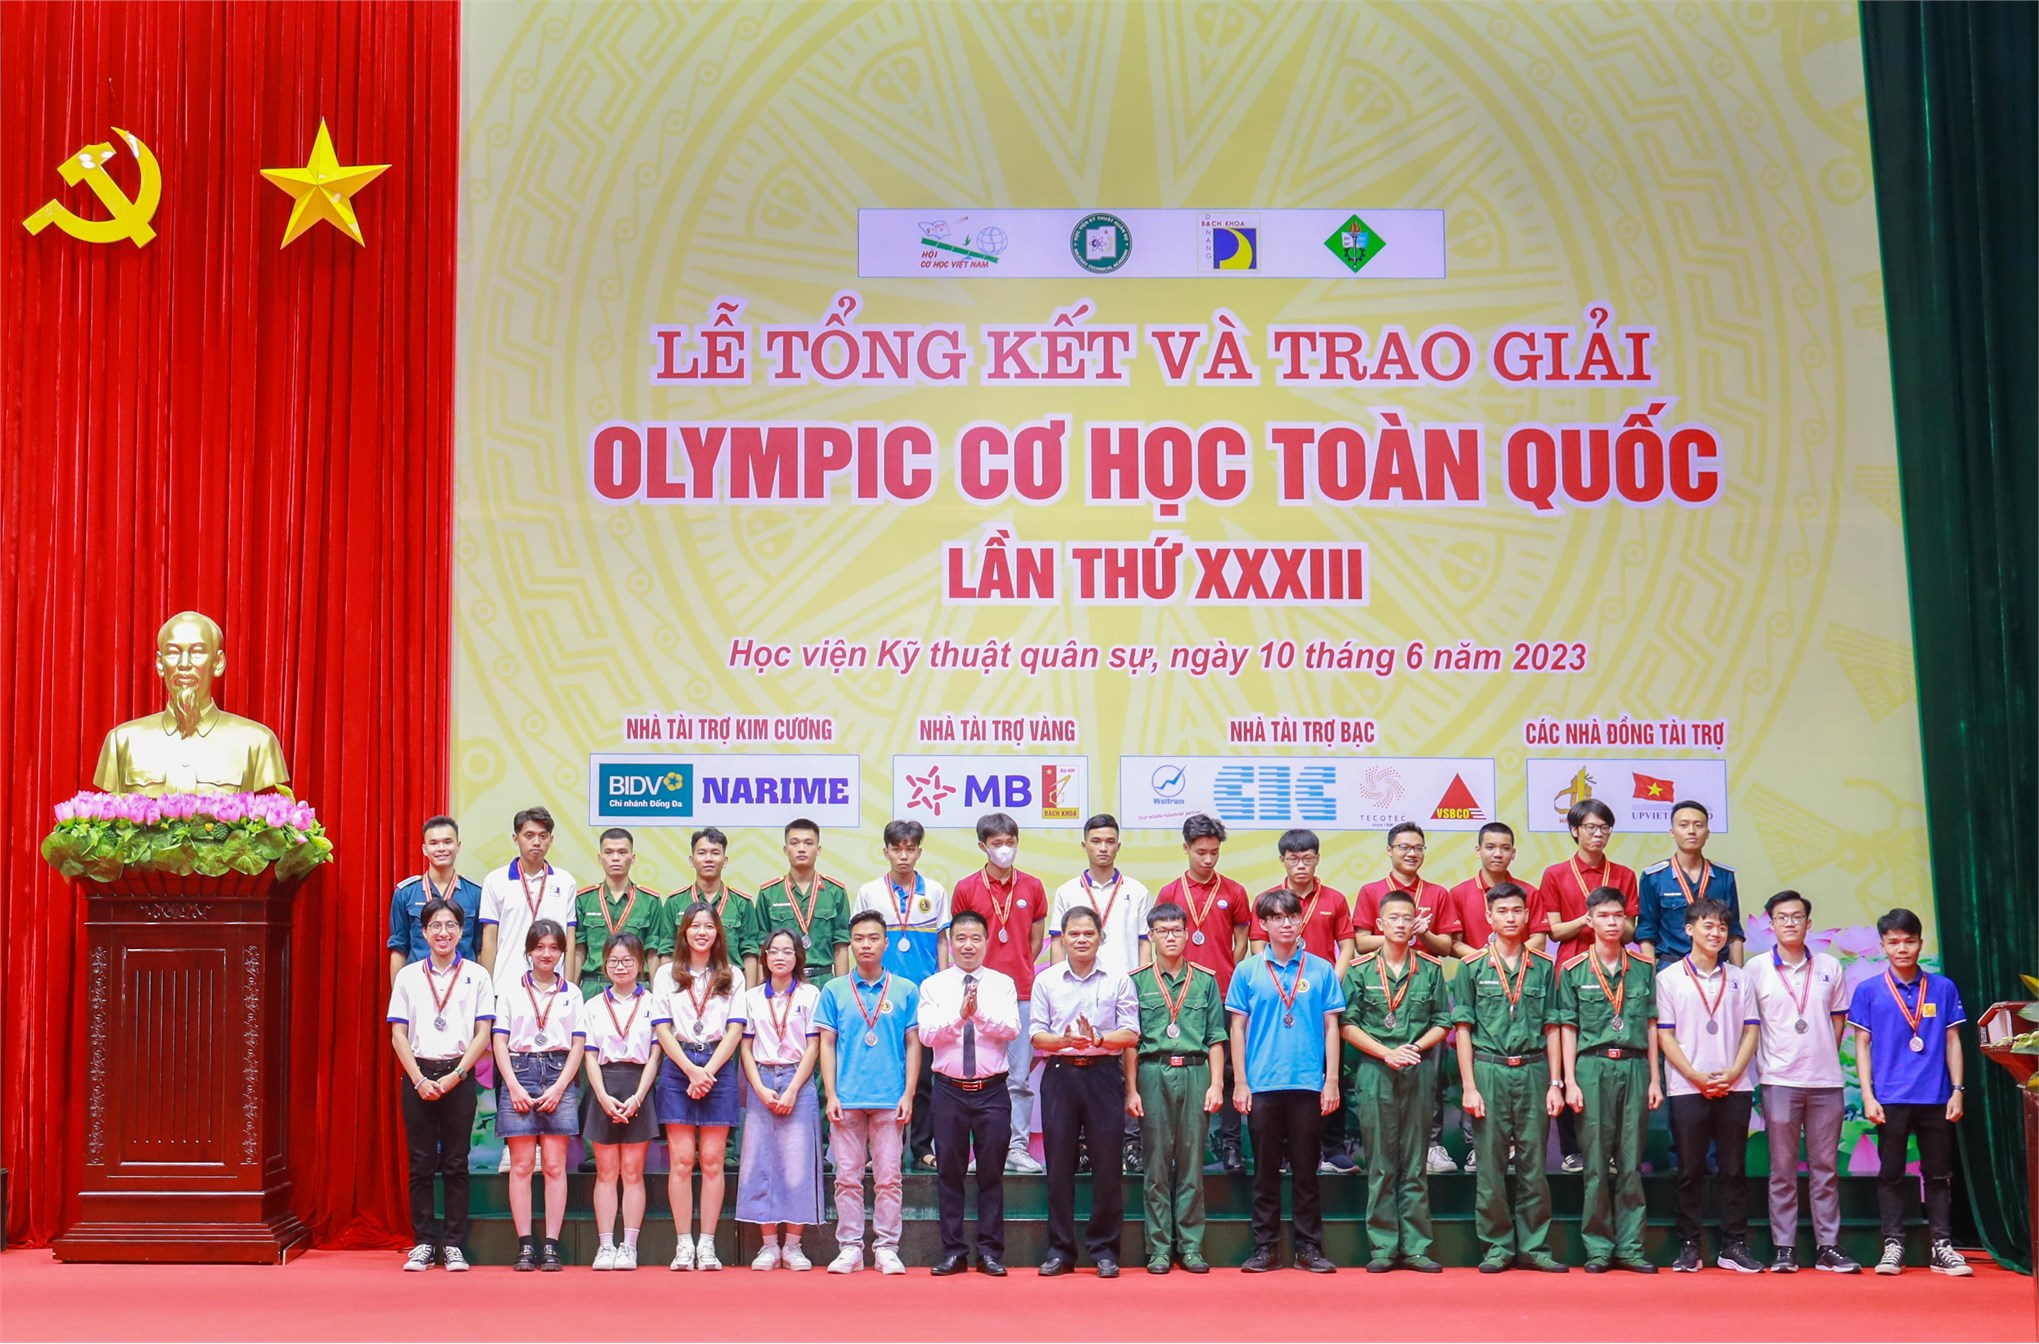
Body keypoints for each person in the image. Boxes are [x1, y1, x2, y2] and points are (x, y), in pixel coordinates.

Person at [1226, 887, 1343, 1274]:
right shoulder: (1248, 971)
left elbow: (1332, 1027)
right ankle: (1265, 1248)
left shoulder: (1321, 969)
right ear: (1263, 924)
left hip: (1308, 1083)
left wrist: (1331, 1080)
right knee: (1265, 1172)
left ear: (1301, 920)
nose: (1286, 924)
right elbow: (1237, 1028)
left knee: (1307, 1171)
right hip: (1262, 1084)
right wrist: (1241, 1082)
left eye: (1292, 916)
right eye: (1276, 918)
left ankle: (1309, 1248)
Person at [1848, 907, 1971, 1276]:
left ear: (1920, 943)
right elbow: (1862, 1045)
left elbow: (1952, 1041)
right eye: (1894, 942)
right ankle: (1893, 1244)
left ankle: (1942, 1246)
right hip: (1889, 1098)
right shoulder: (1869, 990)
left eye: (1909, 941)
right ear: (1883, 946)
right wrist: (1868, 1096)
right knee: (1891, 1173)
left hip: (1936, 1096)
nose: (1902, 948)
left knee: (1938, 1174)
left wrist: (1957, 1090)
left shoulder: (1943, 987)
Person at [1452, 881, 1566, 1273]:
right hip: (1489, 1069)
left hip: (1533, 1069)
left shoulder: (1545, 967)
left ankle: (1534, 1246)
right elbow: (1462, 1030)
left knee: (1534, 1163)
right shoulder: (1471, 967)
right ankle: (1497, 1246)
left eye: (1517, 910)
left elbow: (1553, 1026)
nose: (1511, 917)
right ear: (1489, 916)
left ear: (1528, 915)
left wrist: (1556, 1083)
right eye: (1502, 911)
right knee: (1491, 1163)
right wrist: (1469, 1086)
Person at [1746, 889, 1859, 1273]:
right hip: (1779, 1080)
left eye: (1797, 917)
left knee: (1825, 1169)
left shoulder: (1829, 966)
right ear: (1772, 924)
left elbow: (1838, 1019)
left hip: (1826, 1082)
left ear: (1809, 923)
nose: (1790, 923)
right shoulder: (1756, 969)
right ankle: (1784, 1247)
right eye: (1782, 917)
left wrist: (1822, 1052)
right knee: (1782, 1169)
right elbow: (1750, 1025)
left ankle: (1828, 1246)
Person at [1342, 890, 1451, 1272]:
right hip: (1376, 1071)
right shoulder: (1359, 970)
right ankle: (1383, 1247)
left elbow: (1442, 1022)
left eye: (1408, 918)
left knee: (1415, 1162)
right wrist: (1385, 1052)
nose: (1401, 925)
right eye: (1394, 918)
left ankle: (1416, 1247)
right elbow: (1347, 1024)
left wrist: (1414, 1048)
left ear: (1415, 923)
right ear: (1380, 924)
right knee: (1381, 1163)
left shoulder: (1431, 969)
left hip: (1417, 1069)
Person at [1030, 904, 1140, 1277]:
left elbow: (1131, 1033)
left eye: (1088, 933)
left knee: (1107, 1166)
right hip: (1061, 1074)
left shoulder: (1118, 979)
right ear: (1061, 938)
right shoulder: (1047, 980)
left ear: (1100, 937)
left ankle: (1105, 1251)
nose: (1081, 940)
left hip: (1103, 1074)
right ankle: (1060, 1251)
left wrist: (1100, 1039)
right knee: (1059, 1166)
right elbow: (1036, 1035)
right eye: (1074, 934)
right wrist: (1063, 1041)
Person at [1355, 822, 1469, 1177]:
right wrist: (1399, 932)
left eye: (1418, 847)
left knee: (1429, 1077)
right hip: (1383, 990)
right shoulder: (1371, 891)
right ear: (1389, 850)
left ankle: (1432, 1144)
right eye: (1404, 847)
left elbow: (1446, 947)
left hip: (1422, 988)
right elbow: (1361, 942)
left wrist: (1424, 933)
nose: (1411, 853)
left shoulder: (1437, 893)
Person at [1655, 898, 1763, 1273]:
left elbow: (1751, 1031)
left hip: (1735, 1085)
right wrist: (1695, 1075)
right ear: (1689, 930)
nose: (1716, 933)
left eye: (1722, 927)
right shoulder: (1668, 978)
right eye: (1708, 925)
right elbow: (1665, 1036)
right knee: (1690, 1170)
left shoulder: (1740, 978)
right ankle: (1689, 1244)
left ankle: (1734, 1244)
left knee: (1733, 1169)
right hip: (1688, 1086)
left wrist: (1732, 1073)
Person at [386, 897, 494, 1272]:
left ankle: (452, 1244)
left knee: (455, 1164)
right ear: (424, 932)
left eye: (450, 925)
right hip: (418, 1076)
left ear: (461, 931)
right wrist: (419, 1079)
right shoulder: (408, 976)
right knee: (420, 1164)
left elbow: (483, 1033)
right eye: (435, 926)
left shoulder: (477, 976)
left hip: (458, 1076)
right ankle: (423, 1242)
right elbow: (398, 1034)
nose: (443, 932)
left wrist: (457, 1075)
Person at [1558, 886, 1661, 1273]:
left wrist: (1655, 1079)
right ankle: (1598, 1247)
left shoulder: (1644, 968)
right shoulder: (1573, 970)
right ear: (1589, 921)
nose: (1612, 923)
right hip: (1592, 1066)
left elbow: (1651, 1024)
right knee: (1596, 1163)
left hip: (1634, 1066)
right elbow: (1567, 1028)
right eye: (1603, 916)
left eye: (1618, 916)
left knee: (1631, 1161)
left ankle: (1631, 1246)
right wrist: (1569, 1080)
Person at [816, 911, 922, 1275]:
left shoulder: (905, 989)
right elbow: (826, 1044)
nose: (865, 945)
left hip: (890, 1099)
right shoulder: (834, 989)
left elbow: (913, 1044)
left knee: (889, 1178)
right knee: (846, 1178)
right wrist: (831, 1094)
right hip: (846, 1099)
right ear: (850, 943)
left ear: (885, 943)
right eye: (859, 938)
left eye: (873, 938)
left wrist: (908, 1094)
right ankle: (850, 1248)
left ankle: (887, 1247)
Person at [1246, 829, 1357, 1172]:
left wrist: (1332, 981)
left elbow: (1348, 946)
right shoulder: (1268, 899)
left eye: (1308, 858)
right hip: (1280, 996)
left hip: (1320, 996)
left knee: (1329, 1069)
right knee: (1282, 1076)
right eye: (1293, 859)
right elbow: (1257, 946)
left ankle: (1333, 1148)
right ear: (1282, 860)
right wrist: (1275, 981)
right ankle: (1280, 1153)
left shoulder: (1334, 899)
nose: (1301, 865)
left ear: (1317, 859)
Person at [919, 909, 1021, 1276]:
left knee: (992, 1174)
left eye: (975, 938)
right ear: (950, 943)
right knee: (950, 1173)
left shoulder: (1002, 983)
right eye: (960, 938)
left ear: (986, 942)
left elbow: (1011, 1028)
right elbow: (927, 1035)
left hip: (992, 1091)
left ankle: (990, 1252)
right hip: (949, 1091)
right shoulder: (933, 985)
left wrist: (978, 1015)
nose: (967, 945)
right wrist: (961, 1016)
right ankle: (954, 1252)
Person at [1537, 799, 1636, 1171]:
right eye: (1591, 827)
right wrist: (1589, 919)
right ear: (1574, 830)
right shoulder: (1555, 874)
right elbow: (1554, 930)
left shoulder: (1623, 874)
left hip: (1613, 971)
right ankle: (1571, 1149)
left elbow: (1630, 930)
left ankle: (1609, 1148)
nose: (1598, 834)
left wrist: (1611, 922)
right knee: (1570, 1056)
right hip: (1571, 968)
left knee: (1609, 1053)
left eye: (1604, 828)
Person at [948, 811, 1049, 1174]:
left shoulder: (1033, 887)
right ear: (982, 846)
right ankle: (985, 1150)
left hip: (1021, 992)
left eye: (1010, 842)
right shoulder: (966, 888)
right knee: (980, 1077)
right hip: (977, 994)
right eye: (997, 843)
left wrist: (1015, 969)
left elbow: (1035, 941)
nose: (1005, 849)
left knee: (1018, 1077)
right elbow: (960, 939)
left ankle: (1017, 1148)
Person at [1049, 813, 1151, 1172]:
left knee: (1126, 1065)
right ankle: (1083, 1146)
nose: (1103, 848)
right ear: (1085, 845)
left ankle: (1130, 1143)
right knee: (1080, 1064)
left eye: (1109, 841)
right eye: (1096, 841)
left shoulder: (1136, 890)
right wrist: (1059, 985)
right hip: (1077, 986)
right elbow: (1057, 943)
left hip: (1122, 989)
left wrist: (1140, 983)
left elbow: (1144, 942)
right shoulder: (1067, 891)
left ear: (1118, 845)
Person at [1130, 902, 1226, 1274]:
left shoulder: (1204, 980)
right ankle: (1158, 1248)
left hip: (1195, 1071)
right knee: (1155, 1164)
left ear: (1187, 934)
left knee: (1191, 1164)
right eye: (1162, 931)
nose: (1170, 937)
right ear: (1151, 936)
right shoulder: (1137, 981)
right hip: (1153, 1072)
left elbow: (1215, 1037)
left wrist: (1216, 1084)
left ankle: (1190, 1246)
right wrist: (1132, 1089)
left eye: (1176, 930)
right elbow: (1130, 1042)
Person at [650, 901, 746, 1270]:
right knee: (681, 1160)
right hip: (679, 1066)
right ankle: (683, 1244)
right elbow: (662, 1028)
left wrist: (707, 1072)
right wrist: (691, 1070)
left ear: (717, 932)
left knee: (711, 1160)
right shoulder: (666, 974)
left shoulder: (733, 974)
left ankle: (707, 1244)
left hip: (718, 1064)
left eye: (708, 926)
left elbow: (735, 1030)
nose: (701, 932)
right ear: (684, 932)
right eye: (695, 926)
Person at [1154, 813, 1250, 1174]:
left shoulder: (1234, 892)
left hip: (1222, 993)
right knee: (1179, 1070)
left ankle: (1231, 1146)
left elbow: (1241, 940)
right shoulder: (1170, 892)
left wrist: (1225, 971)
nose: (1208, 859)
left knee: (1228, 1071)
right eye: (1200, 852)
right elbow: (1161, 941)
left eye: (1214, 852)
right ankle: (1177, 1147)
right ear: (1186, 848)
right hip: (1179, 997)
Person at [853, 819, 949, 1169]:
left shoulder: (935, 891)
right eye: (897, 849)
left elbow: (942, 941)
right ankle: (878, 1150)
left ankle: (922, 1147)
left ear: (919, 851)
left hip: (924, 997)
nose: (904, 855)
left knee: (923, 1078)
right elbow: (860, 942)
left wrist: (942, 985)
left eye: (910, 849)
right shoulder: (870, 892)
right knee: (882, 1073)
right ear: (886, 852)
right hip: (882, 996)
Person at [491, 918, 585, 1271]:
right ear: (529, 951)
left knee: (556, 1166)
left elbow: (578, 1044)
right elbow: (499, 1040)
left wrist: (560, 1087)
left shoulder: (571, 993)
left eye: (554, 948)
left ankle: (551, 1245)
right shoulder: (511, 990)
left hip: (559, 1072)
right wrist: (513, 1085)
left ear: (562, 953)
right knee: (521, 1165)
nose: (547, 954)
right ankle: (525, 1245)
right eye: (540, 947)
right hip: (519, 1070)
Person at [736, 928, 824, 1271]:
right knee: (760, 1162)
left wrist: (792, 1090)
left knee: (797, 1164)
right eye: (774, 951)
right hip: (761, 1078)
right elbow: (745, 1047)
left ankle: (793, 1246)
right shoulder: (752, 997)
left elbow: (814, 1046)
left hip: (797, 1081)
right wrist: (758, 1088)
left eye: (788, 951)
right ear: (765, 956)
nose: (780, 957)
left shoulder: (810, 994)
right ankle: (769, 1245)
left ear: (798, 957)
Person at [582, 932, 660, 1270]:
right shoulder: (593, 1005)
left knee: (632, 1171)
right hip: (604, 1083)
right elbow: (588, 1055)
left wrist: (639, 1096)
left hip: (639, 1084)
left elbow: (656, 1055)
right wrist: (601, 1096)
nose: (620, 966)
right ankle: (605, 1246)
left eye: (628, 960)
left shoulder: (654, 1003)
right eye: (613, 960)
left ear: (640, 964)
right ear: (604, 965)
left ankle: (629, 1246)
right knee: (606, 1171)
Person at [478, 806, 578, 993]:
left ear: (551, 839)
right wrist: (487, 989)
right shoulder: (495, 880)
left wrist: (568, 987)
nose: (536, 842)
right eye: (529, 836)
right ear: (516, 838)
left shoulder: (565, 882)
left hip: (553, 986)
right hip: (507, 984)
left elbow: (569, 939)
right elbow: (489, 939)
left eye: (543, 836)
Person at [1636, 801, 1746, 967]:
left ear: (1707, 833)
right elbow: (1646, 931)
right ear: (1672, 832)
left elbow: (1734, 931)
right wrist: (1650, 975)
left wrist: (1737, 973)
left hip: (1715, 967)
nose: (1691, 831)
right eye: (1684, 825)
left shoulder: (1724, 876)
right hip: (1671, 966)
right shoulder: (1654, 877)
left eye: (1698, 825)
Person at [749, 819, 851, 986]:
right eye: (794, 843)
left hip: (823, 982)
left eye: (808, 843)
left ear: (818, 849)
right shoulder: (769, 893)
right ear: (785, 849)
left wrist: (841, 990)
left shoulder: (835, 892)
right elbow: (762, 947)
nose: (801, 848)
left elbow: (841, 947)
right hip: (783, 982)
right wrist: (763, 987)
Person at [387, 815, 482, 982]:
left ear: (458, 846)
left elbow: (480, 947)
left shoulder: (475, 893)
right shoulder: (405, 893)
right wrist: (399, 993)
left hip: (463, 985)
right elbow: (399, 947)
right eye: (434, 843)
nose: (441, 848)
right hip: (418, 983)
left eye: (447, 842)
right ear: (424, 849)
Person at [572, 827, 667, 994]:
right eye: (609, 852)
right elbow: (579, 951)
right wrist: (571, 993)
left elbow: (652, 954)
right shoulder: (584, 899)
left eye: (622, 852)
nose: (615, 858)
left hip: (636, 987)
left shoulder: (650, 901)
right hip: (594, 985)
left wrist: (655, 996)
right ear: (600, 858)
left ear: (633, 858)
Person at [671, 826, 757, 981]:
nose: (708, 859)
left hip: (731, 985)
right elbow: (666, 950)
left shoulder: (742, 903)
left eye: (715, 853)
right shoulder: (675, 902)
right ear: (691, 860)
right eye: (702, 853)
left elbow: (750, 952)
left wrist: (749, 993)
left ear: (725, 861)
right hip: (686, 985)